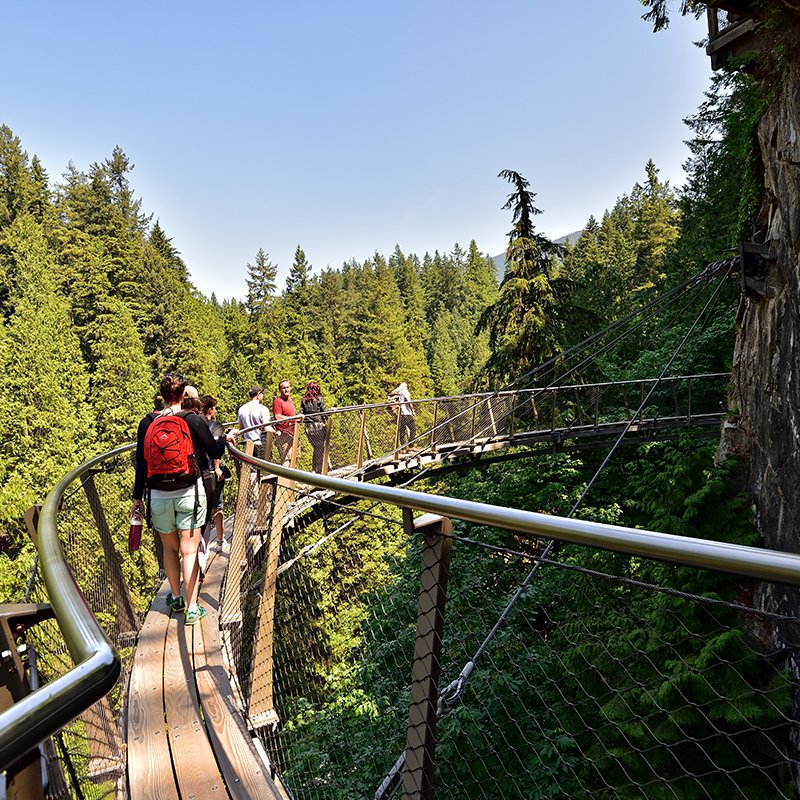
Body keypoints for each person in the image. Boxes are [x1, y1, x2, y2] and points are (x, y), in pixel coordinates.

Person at [131, 373, 236, 625]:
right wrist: (223, 438)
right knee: (189, 551)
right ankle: (191, 609)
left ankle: (176, 597)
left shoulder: (147, 423)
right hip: (189, 491)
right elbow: (215, 450)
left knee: (169, 548)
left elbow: (142, 465)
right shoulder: (192, 419)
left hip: (157, 494)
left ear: (162, 395)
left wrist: (137, 499)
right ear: (183, 396)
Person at [201, 394, 227, 548]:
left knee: (203, 509)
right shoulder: (215, 426)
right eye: (215, 408)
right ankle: (219, 539)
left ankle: (202, 544)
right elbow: (216, 449)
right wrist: (217, 467)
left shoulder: (195, 424)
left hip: (199, 473)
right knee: (217, 507)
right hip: (211, 471)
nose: (216, 410)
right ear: (210, 409)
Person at [272, 379, 303, 466]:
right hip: (283, 434)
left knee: (295, 458)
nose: (286, 389)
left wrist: (297, 418)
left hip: (293, 433)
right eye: (283, 388)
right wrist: (292, 418)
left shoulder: (289, 399)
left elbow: (291, 413)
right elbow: (277, 416)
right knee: (286, 459)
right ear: (280, 390)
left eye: (288, 387)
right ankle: (284, 479)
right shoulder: (278, 401)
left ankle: (293, 479)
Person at [300, 380, 328, 473]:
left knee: (316, 448)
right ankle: (319, 470)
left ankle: (314, 469)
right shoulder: (319, 399)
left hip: (308, 427)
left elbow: (301, 413)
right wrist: (331, 413)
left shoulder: (304, 400)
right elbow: (324, 412)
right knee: (320, 448)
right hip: (318, 426)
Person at [237, 386, 270, 459]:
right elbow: (267, 428)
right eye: (262, 393)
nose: (263, 395)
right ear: (258, 395)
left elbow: (241, 428)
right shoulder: (263, 409)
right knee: (263, 468)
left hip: (247, 444)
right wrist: (276, 432)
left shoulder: (242, 409)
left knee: (248, 467)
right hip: (260, 444)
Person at [388, 381, 416, 448]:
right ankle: (411, 445)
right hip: (407, 413)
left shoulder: (399, 393)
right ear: (406, 386)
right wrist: (413, 411)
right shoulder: (405, 392)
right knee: (413, 429)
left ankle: (403, 448)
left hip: (400, 414)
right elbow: (409, 402)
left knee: (402, 431)